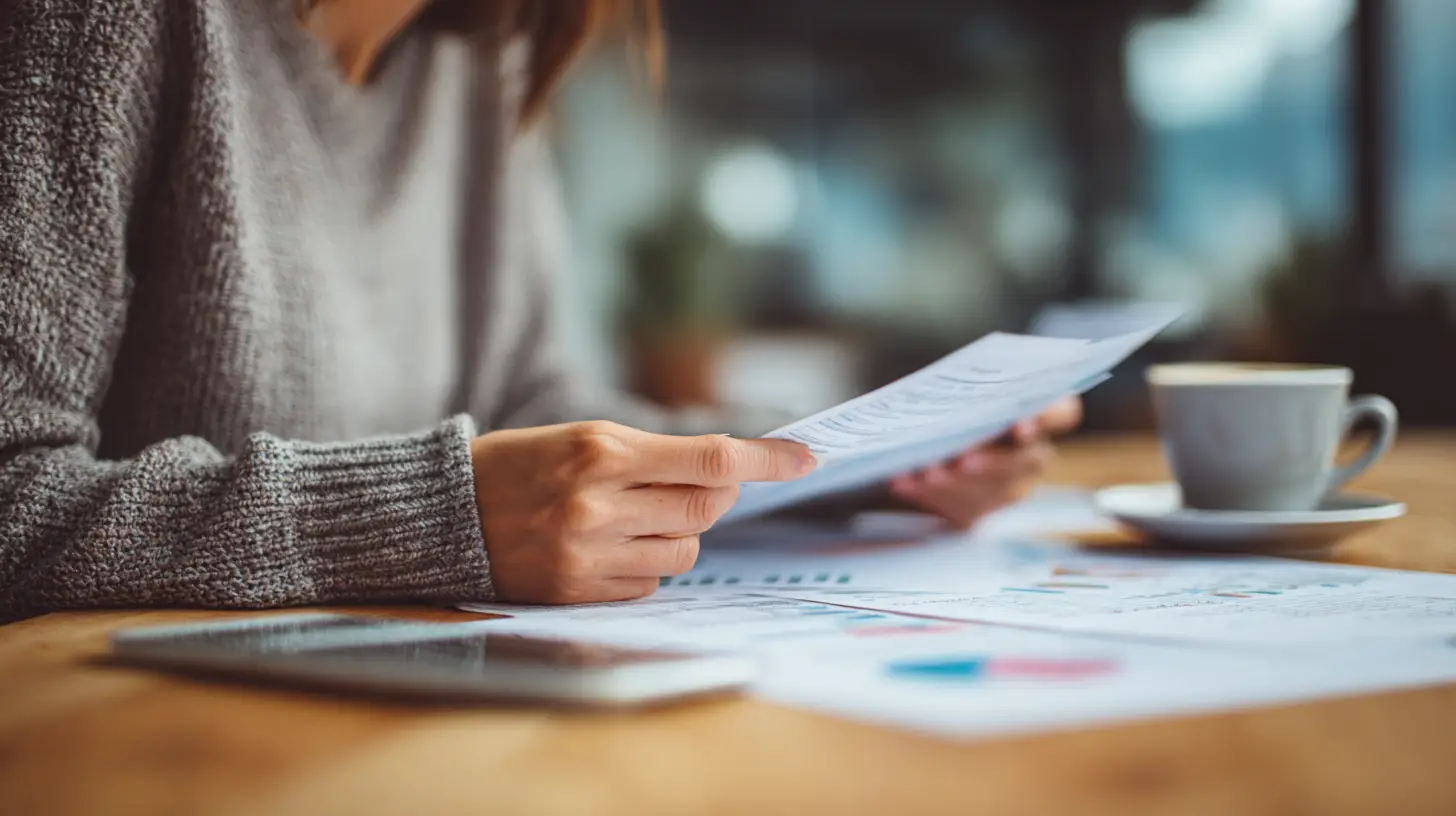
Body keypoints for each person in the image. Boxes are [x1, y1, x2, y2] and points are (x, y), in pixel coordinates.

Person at [0, 0, 1080, 621]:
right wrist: (430, 520)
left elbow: (538, 396)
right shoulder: (112, 22)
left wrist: (837, 467)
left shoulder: (484, 55)